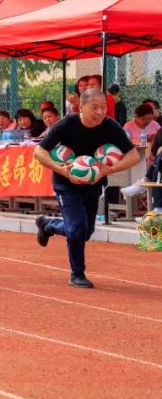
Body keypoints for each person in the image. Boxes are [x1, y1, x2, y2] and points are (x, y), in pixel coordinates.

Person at [34, 89, 138, 288]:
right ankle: (77, 274)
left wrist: (107, 170)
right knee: (76, 229)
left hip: (94, 184)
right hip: (67, 184)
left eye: (103, 108)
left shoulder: (110, 127)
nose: (100, 112)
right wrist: (62, 171)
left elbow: (132, 156)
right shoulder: (66, 124)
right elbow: (39, 152)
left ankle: (47, 225)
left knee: (86, 232)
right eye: (95, 107)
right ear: (80, 107)